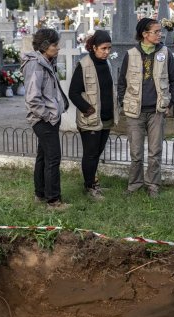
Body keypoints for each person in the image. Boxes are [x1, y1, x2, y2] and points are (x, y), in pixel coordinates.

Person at [117, 18, 174, 198]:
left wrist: (171, 102)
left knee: (155, 151)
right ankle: (135, 184)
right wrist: (123, 101)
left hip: (157, 111)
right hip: (134, 112)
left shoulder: (165, 53)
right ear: (145, 34)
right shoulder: (131, 54)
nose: (160, 34)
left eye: (160, 31)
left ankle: (153, 185)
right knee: (136, 151)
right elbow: (122, 82)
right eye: (156, 31)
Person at [21, 28, 70, 210]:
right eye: (55, 45)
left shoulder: (46, 61)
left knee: (43, 156)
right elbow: (33, 98)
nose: (58, 48)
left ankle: (40, 194)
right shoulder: (36, 65)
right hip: (43, 119)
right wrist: (49, 115)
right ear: (44, 46)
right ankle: (53, 201)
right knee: (53, 158)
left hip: (47, 118)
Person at [68, 30, 119, 200]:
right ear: (94, 47)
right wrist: (88, 109)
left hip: (106, 118)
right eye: (103, 48)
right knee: (90, 154)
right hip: (90, 119)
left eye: (109, 48)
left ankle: (93, 182)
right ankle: (90, 187)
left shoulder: (108, 64)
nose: (107, 52)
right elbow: (73, 93)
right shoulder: (84, 65)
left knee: (97, 153)